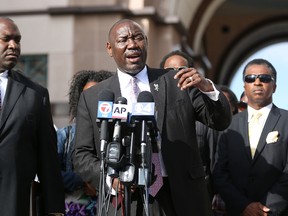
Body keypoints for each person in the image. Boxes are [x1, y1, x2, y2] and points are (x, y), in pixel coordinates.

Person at [73, 19, 231, 215]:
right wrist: (110, 178)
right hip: (124, 201)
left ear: (146, 41)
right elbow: (81, 155)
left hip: (180, 197)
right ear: (110, 48)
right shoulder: (93, 96)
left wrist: (208, 89)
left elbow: (220, 121)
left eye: (138, 38)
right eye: (123, 40)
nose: (132, 44)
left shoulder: (176, 82)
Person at [0, 17, 64, 215]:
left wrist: (54, 209)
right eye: (6, 39)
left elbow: (48, 159)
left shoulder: (35, 94)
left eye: (17, 40)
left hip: (14, 203)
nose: (13, 46)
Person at [213, 58, 288, 215]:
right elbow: (220, 172)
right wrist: (244, 206)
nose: (258, 82)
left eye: (265, 78)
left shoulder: (286, 120)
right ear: (244, 86)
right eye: (251, 78)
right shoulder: (229, 125)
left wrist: (267, 207)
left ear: (274, 87)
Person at [159, 50, 218, 201]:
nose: (176, 75)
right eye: (169, 71)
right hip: (159, 194)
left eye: (182, 70)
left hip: (192, 196)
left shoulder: (202, 113)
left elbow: (214, 165)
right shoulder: (153, 107)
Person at [57, 70, 113, 215]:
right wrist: (83, 181)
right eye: (86, 96)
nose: (91, 101)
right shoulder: (65, 135)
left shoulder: (118, 134)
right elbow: (49, 173)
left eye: (97, 95)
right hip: (74, 209)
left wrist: (102, 185)